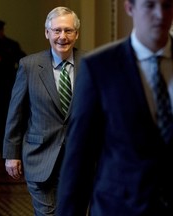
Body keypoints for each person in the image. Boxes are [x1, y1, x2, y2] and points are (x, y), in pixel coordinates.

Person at [57, 0, 173, 215]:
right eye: (150, 5)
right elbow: (79, 158)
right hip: (120, 207)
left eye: (167, 5)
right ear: (129, 8)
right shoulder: (100, 67)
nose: (160, 14)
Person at [2, 6, 85, 215]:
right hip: (40, 158)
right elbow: (16, 114)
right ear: (47, 33)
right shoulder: (29, 66)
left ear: (76, 34)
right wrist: (11, 154)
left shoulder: (92, 64)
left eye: (68, 30)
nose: (62, 37)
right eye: (57, 30)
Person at [0, 19, 26, 154]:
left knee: (6, 116)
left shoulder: (11, 44)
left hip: (7, 83)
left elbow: (22, 59)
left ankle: (6, 147)